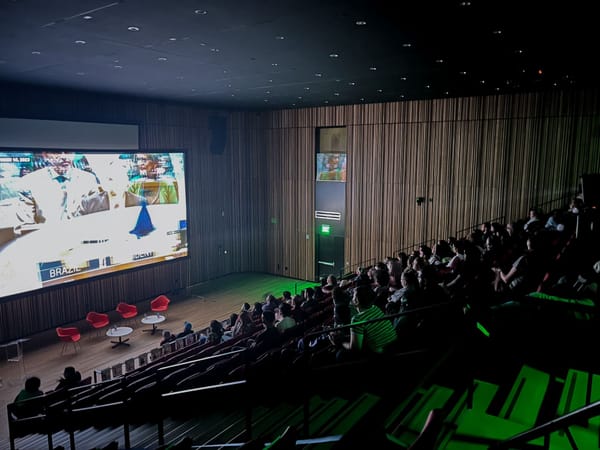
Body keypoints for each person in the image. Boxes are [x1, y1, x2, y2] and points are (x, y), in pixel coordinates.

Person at [15, 151, 107, 226]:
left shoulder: (88, 179)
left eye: (68, 152)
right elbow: (25, 226)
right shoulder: (29, 182)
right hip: (46, 243)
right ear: (45, 155)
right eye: (57, 152)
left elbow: (96, 219)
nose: (64, 156)